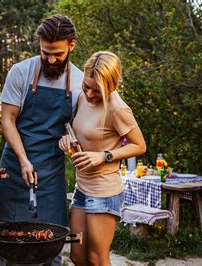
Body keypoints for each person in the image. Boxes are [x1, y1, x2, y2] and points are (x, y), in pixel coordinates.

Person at [0, 15, 83, 266]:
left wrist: (69, 139)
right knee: (3, 243)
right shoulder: (20, 72)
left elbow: (78, 128)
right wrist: (23, 160)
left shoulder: (81, 83)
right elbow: (8, 120)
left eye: (58, 54)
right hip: (15, 168)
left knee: (50, 244)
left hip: (51, 174)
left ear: (71, 46)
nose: (51, 59)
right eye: (45, 53)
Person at [58, 51, 146, 265]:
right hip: (82, 189)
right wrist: (67, 139)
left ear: (111, 85)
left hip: (104, 191)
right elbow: (80, 130)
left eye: (96, 90)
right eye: (86, 86)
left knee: (97, 259)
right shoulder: (81, 96)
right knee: (77, 256)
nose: (89, 94)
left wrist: (104, 156)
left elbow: (139, 145)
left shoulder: (118, 109)